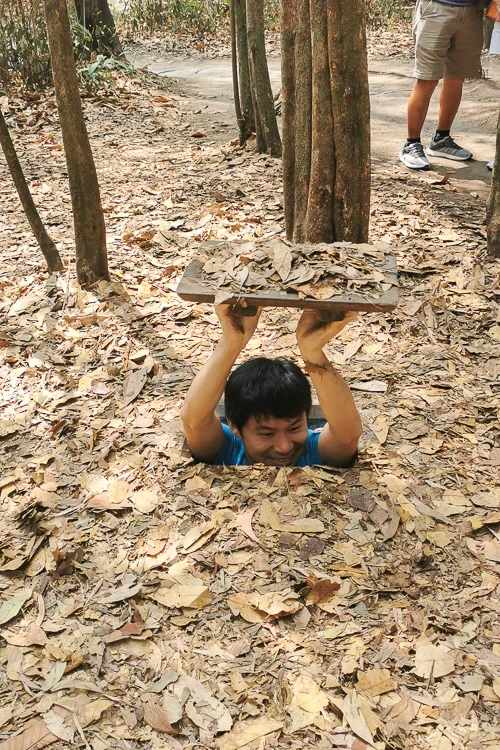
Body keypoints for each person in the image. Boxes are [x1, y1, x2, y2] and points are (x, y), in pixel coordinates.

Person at [180, 305, 362, 467]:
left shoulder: (314, 450)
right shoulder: (228, 449)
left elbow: (347, 435)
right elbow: (194, 420)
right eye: (266, 434)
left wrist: (312, 353)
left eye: (294, 428)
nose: (284, 447)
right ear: (234, 427)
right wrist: (231, 342)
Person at [399, 0, 485, 171]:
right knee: (427, 78)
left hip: (471, 12)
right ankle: (411, 144)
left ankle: (441, 140)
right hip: (437, 8)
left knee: (457, 77)